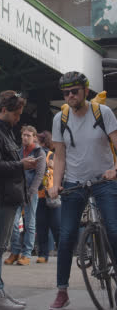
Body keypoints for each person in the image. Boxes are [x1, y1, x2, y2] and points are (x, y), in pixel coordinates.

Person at [48, 71, 117, 310]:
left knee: (114, 229)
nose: (69, 96)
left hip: (103, 180)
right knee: (66, 236)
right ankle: (62, 291)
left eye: (74, 91)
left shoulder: (103, 113)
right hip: (74, 182)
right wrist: (55, 184)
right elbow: (59, 156)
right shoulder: (60, 119)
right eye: (65, 92)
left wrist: (115, 169)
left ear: (86, 91)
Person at [0, 92, 36, 310]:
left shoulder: (3, 130)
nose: (18, 118)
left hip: (7, 196)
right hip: (2, 197)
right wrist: (21, 165)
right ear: (3, 110)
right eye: (16, 114)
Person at [4, 125, 45, 266]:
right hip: (17, 190)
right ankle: (15, 251)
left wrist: (31, 192)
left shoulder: (39, 152)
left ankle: (27, 253)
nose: (25, 137)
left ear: (34, 137)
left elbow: (39, 175)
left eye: (28, 135)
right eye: (24, 135)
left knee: (30, 222)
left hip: (30, 192)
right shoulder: (18, 151)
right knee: (13, 223)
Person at [35, 131, 61, 264]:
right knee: (42, 226)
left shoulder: (51, 155)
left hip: (51, 195)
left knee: (55, 226)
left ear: (43, 142)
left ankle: (59, 252)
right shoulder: (37, 155)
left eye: (37, 140)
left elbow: (60, 172)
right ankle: (43, 254)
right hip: (40, 195)